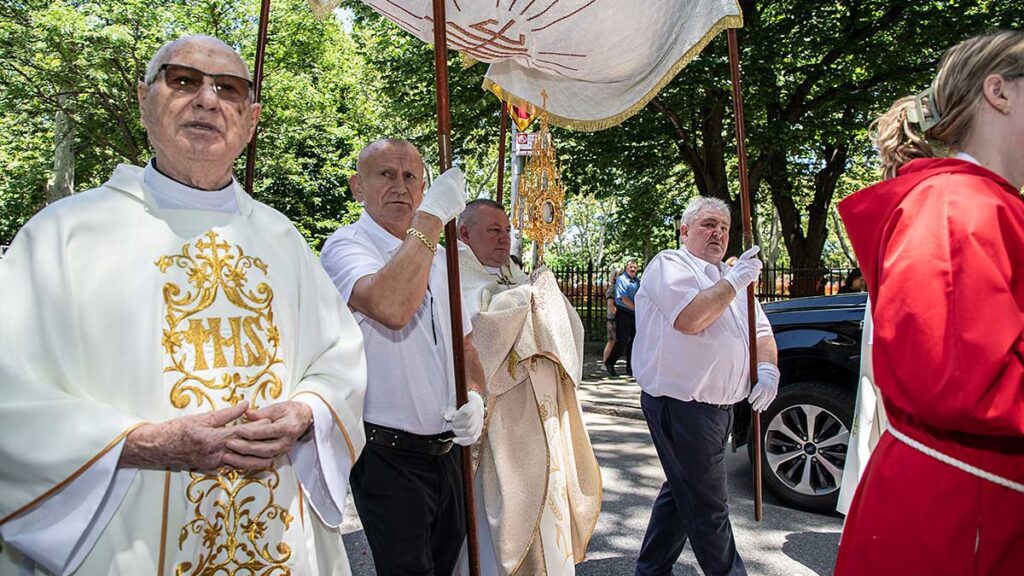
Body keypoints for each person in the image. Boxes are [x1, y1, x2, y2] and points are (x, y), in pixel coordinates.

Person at [0, 35, 366, 575]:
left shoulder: (279, 236)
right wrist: (143, 444)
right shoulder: (64, 236)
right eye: (183, 81)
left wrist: (307, 410)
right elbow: (11, 396)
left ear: (251, 119)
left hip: (275, 534)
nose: (207, 100)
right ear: (146, 99)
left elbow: (339, 357)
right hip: (127, 541)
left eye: (229, 89)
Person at [834, 31, 1024, 575]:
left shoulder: (976, 201)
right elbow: (961, 378)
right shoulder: (956, 205)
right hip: (959, 523)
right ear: (999, 92)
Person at [319, 139, 487, 576]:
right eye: (386, 175)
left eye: (411, 176)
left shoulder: (444, 258)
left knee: (447, 565)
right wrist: (431, 218)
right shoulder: (345, 247)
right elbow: (392, 306)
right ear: (358, 187)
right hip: (386, 453)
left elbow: (465, 347)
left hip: (447, 451)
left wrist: (476, 395)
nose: (401, 186)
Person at [632, 196, 779, 576]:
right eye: (709, 224)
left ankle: (651, 570)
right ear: (684, 230)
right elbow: (691, 319)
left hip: (720, 409)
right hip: (681, 405)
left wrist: (767, 370)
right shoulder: (670, 264)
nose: (718, 234)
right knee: (709, 505)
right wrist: (734, 280)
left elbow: (762, 332)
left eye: (725, 228)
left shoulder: (733, 277)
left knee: (682, 492)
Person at [456, 199, 602, 575]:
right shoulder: (454, 277)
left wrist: (538, 294)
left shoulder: (516, 275)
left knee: (548, 499)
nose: (504, 239)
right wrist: (527, 299)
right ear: (464, 233)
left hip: (544, 412)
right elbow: (476, 329)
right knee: (504, 505)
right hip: (500, 418)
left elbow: (567, 330)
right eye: (493, 230)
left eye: (506, 231)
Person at [605, 259, 640, 376]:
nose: (633, 269)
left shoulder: (637, 282)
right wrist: (636, 308)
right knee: (623, 341)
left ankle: (630, 369)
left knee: (634, 342)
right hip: (624, 313)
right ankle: (610, 362)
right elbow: (623, 298)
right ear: (626, 268)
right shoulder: (621, 280)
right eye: (631, 267)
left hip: (635, 314)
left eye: (635, 267)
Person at [602, 269, 620, 368]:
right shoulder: (612, 288)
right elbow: (611, 305)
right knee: (611, 340)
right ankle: (605, 362)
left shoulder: (617, 287)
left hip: (615, 318)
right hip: (612, 319)